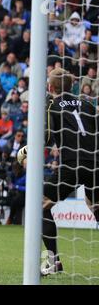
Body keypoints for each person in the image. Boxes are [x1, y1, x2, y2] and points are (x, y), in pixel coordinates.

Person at [17, 68, 99, 276]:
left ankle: (53, 261)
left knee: (39, 205)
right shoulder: (89, 105)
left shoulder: (50, 104)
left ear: (50, 87)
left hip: (73, 164)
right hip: (96, 163)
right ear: (71, 85)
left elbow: (44, 137)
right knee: (95, 207)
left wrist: (26, 150)